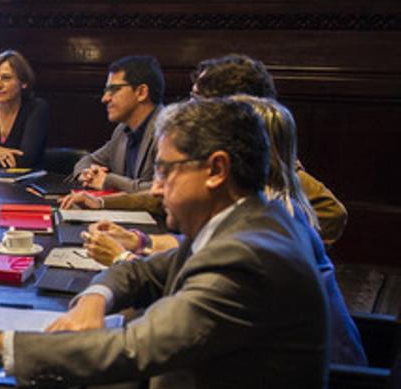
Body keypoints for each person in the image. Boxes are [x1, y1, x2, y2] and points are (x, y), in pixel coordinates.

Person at [0, 97, 334, 389]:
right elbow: (144, 273)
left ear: (216, 169)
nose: (156, 189)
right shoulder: (244, 220)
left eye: (165, 171)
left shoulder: (246, 256)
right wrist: (94, 297)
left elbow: (133, 347)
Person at [81, 96, 367, 365]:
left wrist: (122, 257)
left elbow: (158, 332)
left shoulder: (259, 242)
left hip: (335, 387)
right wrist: (104, 287)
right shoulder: (262, 210)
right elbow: (172, 261)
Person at [61, 53, 348, 245]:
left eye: (198, 99)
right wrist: (103, 203)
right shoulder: (216, 151)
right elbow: (159, 196)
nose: (188, 107)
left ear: (233, 107)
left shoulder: (266, 159)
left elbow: (332, 212)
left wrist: (277, 240)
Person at [70, 55, 165, 192]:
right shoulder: (122, 130)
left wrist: (109, 180)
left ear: (141, 92)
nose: (105, 98)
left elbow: (163, 190)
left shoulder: (170, 131)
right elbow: (87, 161)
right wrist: (88, 174)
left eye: (113, 90)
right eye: (106, 91)